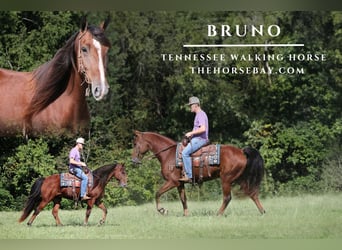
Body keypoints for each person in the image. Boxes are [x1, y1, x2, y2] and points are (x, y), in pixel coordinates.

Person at [179, 96, 209, 182]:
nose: (190, 107)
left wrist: (191, 133)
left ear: (196, 105)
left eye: (190, 105)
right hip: (197, 138)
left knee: (184, 153)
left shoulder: (200, 114)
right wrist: (190, 136)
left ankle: (189, 176)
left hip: (201, 139)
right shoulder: (198, 115)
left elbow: (203, 129)